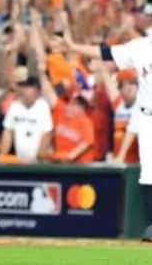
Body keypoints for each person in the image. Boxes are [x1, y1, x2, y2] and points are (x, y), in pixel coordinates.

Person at [53, 34, 152, 240]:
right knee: (148, 177)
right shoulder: (142, 46)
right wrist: (73, 45)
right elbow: (106, 52)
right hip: (148, 118)